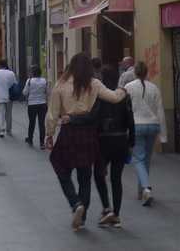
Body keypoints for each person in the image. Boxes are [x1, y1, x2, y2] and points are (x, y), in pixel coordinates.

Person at [47, 53, 127, 231]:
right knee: (85, 175)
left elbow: (52, 113)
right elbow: (114, 97)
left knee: (60, 166)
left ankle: (75, 203)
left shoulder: (61, 83)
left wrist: (49, 133)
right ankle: (81, 218)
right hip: (88, 134)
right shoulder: (94, 83)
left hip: (68, 132)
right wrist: (124, 90)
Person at [92, 64, 135, 228]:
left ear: (102, 79)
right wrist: (131, 142)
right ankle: (116, 214)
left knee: (98, 175)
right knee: (117, 179)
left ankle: (106, 207)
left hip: (103, 142)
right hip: (121, 140)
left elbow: (94, 119)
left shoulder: (98, 96)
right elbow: (131, 121)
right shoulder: (124, 96)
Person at [124, 61, 167, 206]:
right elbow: (160, 110)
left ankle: (146, 189)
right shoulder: (154, 88)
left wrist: (124, 129)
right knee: (146, 159)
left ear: (135, 72)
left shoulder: (128, 88)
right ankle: (141, 191)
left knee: (138, 159)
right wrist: (163, 134)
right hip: (153, 125)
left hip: (137, 125)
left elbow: (125, 110)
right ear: (146, 72)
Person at [0, 60, 18, 139]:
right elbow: (14, 84)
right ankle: (9, 130)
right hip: (9, 97)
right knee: (9, 114)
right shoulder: (11, 73)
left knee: (0, 114)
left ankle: (1, 130)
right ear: (6, 65)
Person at [23, 66, 50, 149]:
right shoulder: (44, 81)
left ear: (32, 73)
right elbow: (48, 92)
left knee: (32, 122)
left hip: (32, 104)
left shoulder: (29, 81)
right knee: (41, 123)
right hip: (42, 104)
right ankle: (42, 143)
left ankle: (30, 139)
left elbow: (25, 92)